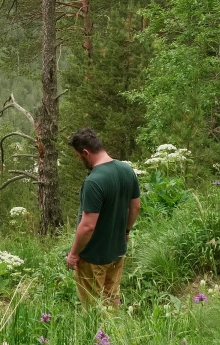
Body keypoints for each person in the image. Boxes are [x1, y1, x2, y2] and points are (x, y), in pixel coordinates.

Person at [65, 127, 141, 309]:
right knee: (111, 300)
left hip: (93, 257)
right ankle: (113, 328)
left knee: (92, 309)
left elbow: (88, 226)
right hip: (117, 252)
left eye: (78, 155)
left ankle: (97, 329)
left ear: (86, 152)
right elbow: (135, 207)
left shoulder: (94, 181)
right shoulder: (126, 170)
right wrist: (126, 231)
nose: (79, 159)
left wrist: (73, 254)